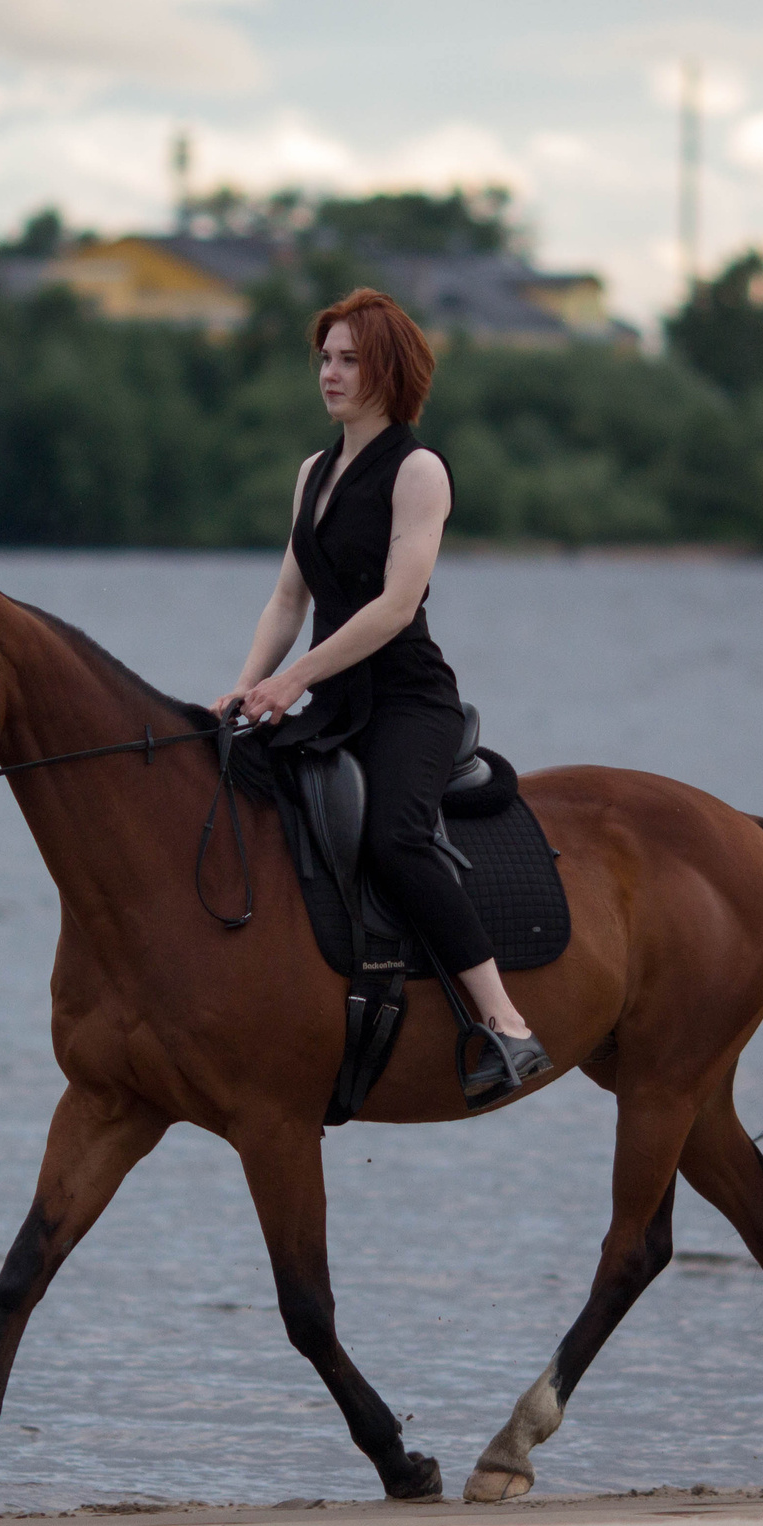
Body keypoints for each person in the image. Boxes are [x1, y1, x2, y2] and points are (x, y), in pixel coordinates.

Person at [215, 288, 553, 1098]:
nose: (330, 373)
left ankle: (506, 1025)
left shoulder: (419, 471)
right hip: (332, 699)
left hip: (407, 699)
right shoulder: (312, 472)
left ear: (388, 369)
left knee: (397, 838)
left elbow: (396, 607)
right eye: (325, 358)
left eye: (349, 359)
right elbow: (288, 601)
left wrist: (292, 679)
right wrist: (243, 687)